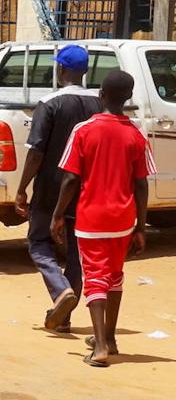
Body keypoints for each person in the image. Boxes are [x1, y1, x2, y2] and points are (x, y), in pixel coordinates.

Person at [52, 70, 155, 367]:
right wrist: (140, 225)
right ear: (128, 98)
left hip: (92, 217)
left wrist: (57, 214)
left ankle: (99, 347)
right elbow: (141, 183)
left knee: (95, 277)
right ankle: (109, 337)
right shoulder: (135, 133)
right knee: (114, 276)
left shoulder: (84, 130)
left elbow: (70, 179)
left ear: (101, 94)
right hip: (123, 218)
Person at [16, 44, 101, 334]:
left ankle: (60, 289)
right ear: (86, 70)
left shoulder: (50, 103)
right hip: (86, 189)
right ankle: (64, 317)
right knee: (77, 251)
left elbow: (36, 152)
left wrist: (21, 188)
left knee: (39, 242)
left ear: (61, 69)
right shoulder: (99, 104)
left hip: (51, 188)